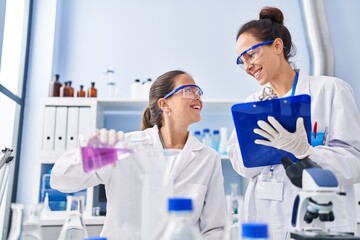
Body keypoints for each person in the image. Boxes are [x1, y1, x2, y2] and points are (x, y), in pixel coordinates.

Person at [227, 6, 360, 240]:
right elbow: (241, 165)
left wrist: (306, 151)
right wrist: (260, 150)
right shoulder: (251, 105)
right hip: (265, 223)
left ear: (277, 46)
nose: (247, 66)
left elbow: (354, 163)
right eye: (241, 61)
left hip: (320, 222)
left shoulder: (330, 91)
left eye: (251, 54)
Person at [50, 70, 226, 240]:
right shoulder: (123, 147)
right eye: (188, 90)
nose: (197, 96)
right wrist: (89, 156)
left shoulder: (208, 159)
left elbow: (215, 229)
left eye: (198, 92)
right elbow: (60, 180)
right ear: (164, 104)